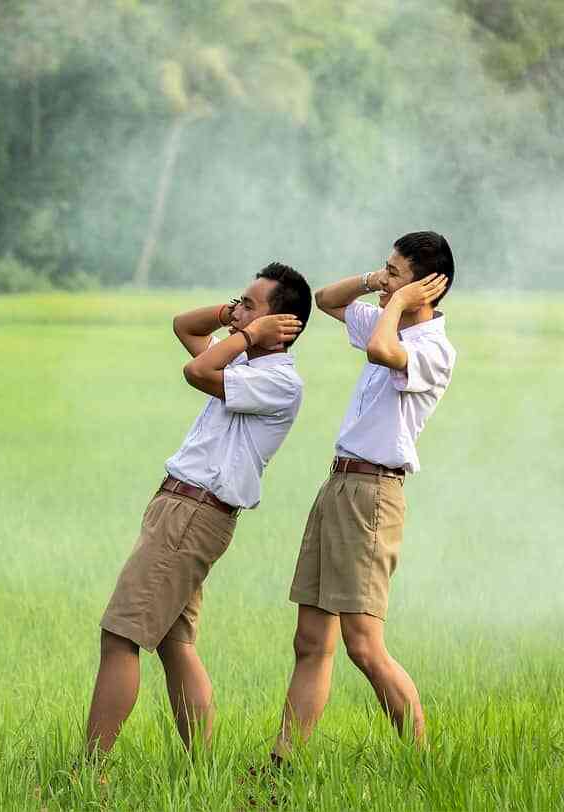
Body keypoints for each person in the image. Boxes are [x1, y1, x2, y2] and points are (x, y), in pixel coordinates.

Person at [85, 263, 311, 755]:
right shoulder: (245, 365)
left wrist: (248, 333)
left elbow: (196, 370)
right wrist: (237, 315)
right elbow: (184, 326)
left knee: (120, 637)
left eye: (251, 304)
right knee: (174, 643)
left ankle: (87, 774)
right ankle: (202, 771)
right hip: (181, 508)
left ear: (282, 324)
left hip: (193, 513)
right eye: (238, 302)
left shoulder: (278, 381)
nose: (236, 313)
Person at [271, 231, 455, 761]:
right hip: (339, 485)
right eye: (386, 269)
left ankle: (422, 763)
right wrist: (379, 283)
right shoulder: (386, 316)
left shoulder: (433, 348)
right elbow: (327, 300)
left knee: (364, 646)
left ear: (426, 288)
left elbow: (381, 349)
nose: (384, 279)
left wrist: (397, 301)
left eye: (395, 271)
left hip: (374, 493)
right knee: (310, 641)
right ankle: (282, 764)